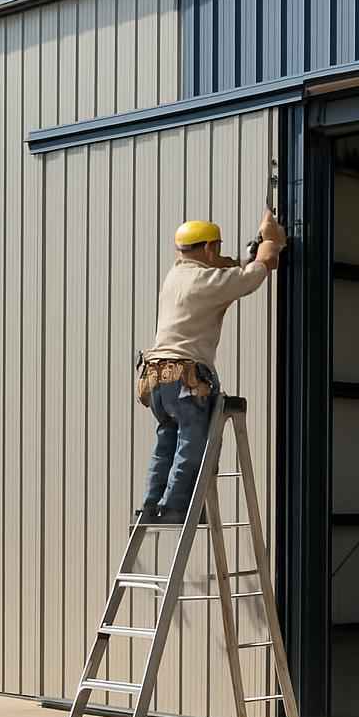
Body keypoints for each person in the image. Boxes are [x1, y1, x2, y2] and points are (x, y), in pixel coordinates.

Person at [136, 210, 287, 525]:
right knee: (194, 442)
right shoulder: (206, 281)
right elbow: (252, 276)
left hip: (157, 380)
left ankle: (153, 504)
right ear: (208, 249)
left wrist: (245, 256)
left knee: (167, 439)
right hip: (185, 378)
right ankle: (176, 506)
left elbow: (224, 274)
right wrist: (270, 244)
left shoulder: (175, 276)